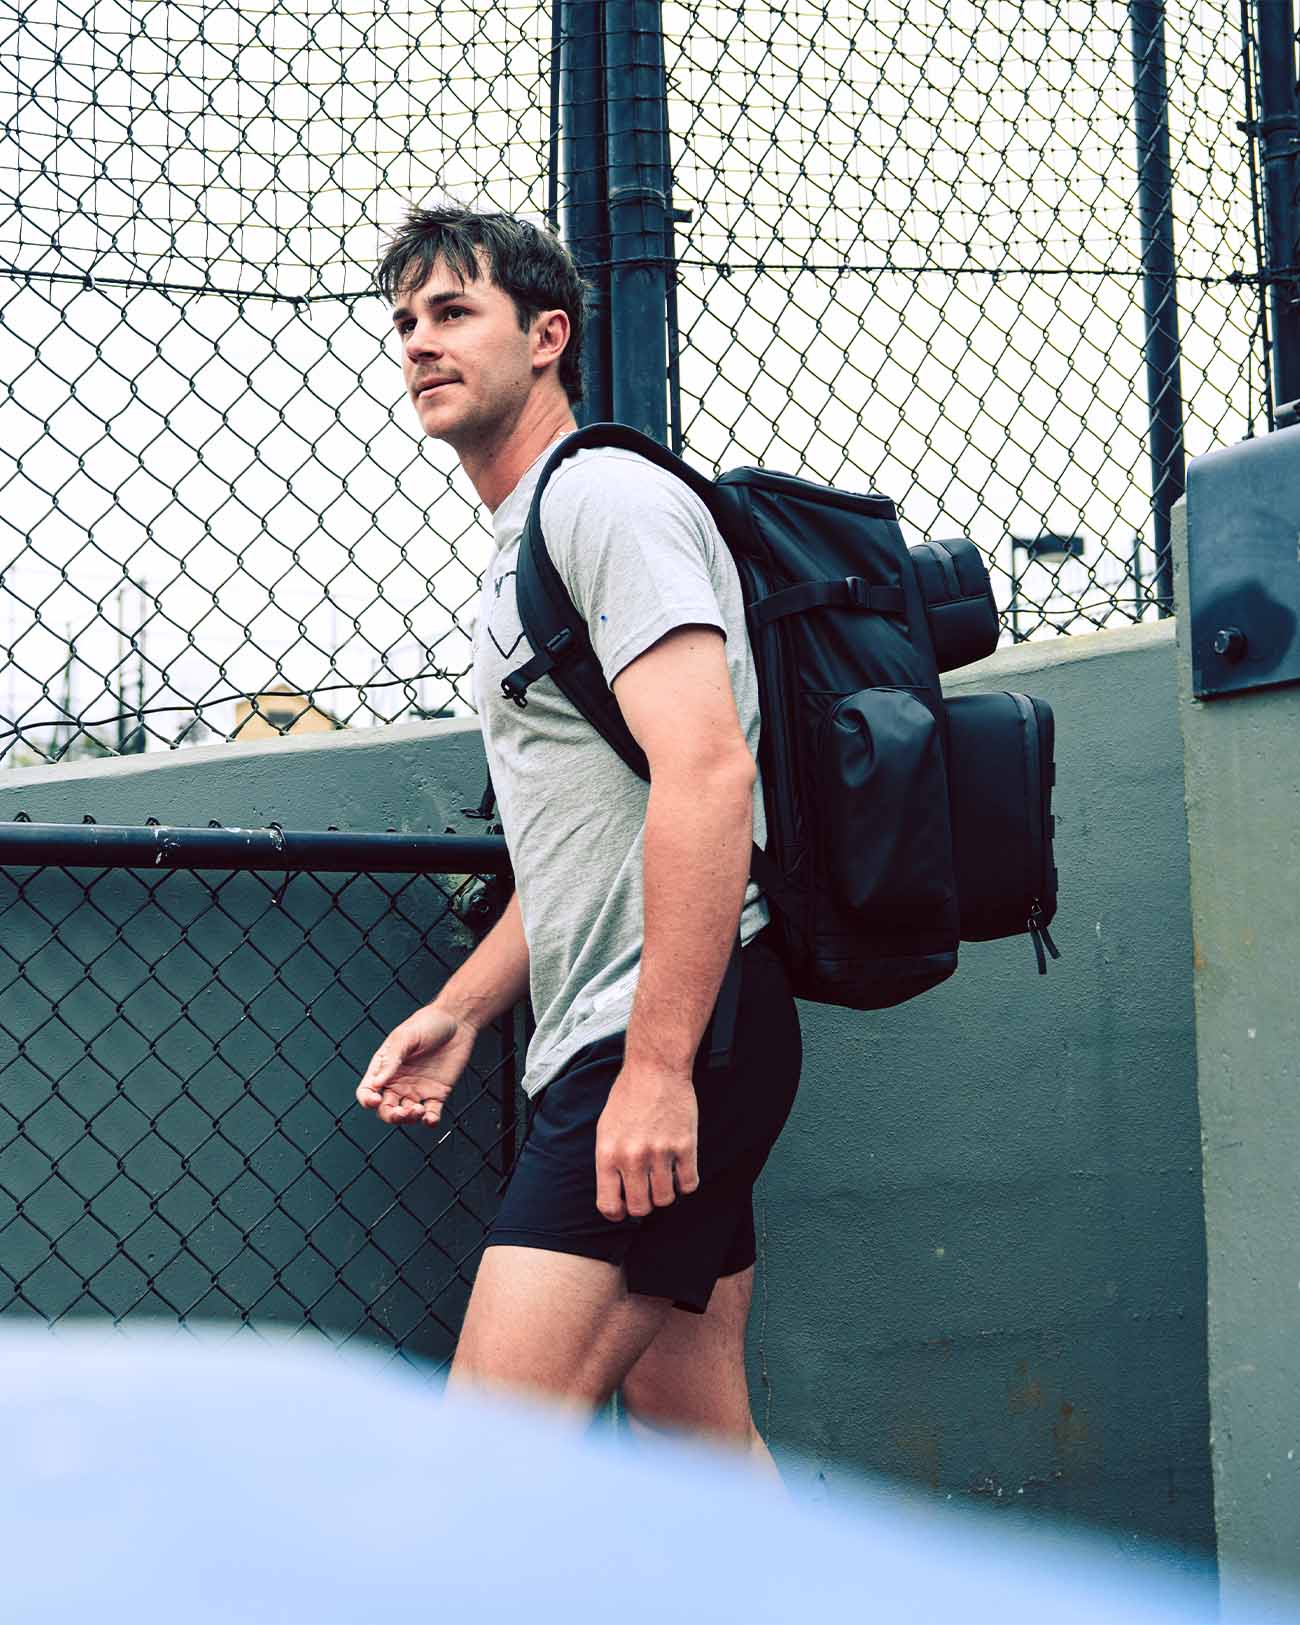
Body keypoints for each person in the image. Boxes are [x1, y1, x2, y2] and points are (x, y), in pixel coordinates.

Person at [356, 204, 802, 1475]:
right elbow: (589, 845)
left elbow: (709, 772)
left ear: (548, 335)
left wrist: (657, 1068)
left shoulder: (602, 497)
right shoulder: (524, 543)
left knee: (493, 1460)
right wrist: (466, 1006)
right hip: (642, 1031)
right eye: (403, 324)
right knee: (688, 1425)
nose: (419, 345)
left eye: (453, 313)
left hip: (660, 1041)